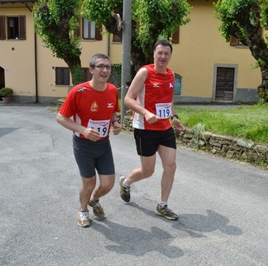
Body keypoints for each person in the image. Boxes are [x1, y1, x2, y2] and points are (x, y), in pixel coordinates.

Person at [119, 39, 184, 221]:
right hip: (145, 128)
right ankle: (126, 182)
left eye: (166, 53)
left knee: (171, 166)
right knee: (148, 171)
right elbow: (128, 99)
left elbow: (168, 99)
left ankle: (162, 205)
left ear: (170, 56)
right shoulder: (145, 73)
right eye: (160, 53)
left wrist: (174, 117)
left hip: (164, 128)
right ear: (154, 54)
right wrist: (146, 112)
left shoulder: (171, 75)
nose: (163, 56)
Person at [57, 53, 122, 228]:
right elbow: (61, 118)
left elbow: (111, 111)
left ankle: (94, 200)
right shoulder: (78, 91)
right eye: (100, 66)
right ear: (91, 70)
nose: (105, 70)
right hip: (83, 145)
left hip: (103, 144)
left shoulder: (112, 90)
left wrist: (115, 122)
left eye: (108, 67)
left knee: (108, 184)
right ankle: (83, 211)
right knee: (89, 183)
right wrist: (83, 130)